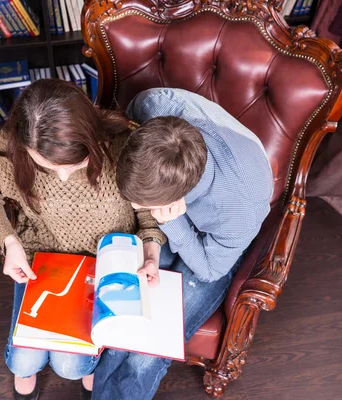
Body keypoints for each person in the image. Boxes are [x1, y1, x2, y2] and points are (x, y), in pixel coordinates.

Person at [0, 79, 165, 400]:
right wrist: (10, 244)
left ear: (91, 137)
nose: (62, 177)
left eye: (75, 165)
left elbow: (147, 210)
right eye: (47, 167)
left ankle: (89, 369)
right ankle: (32, 375)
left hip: (106, 262)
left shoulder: (123, 142)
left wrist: (150, 251)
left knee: (71, 367)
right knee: (23, 360)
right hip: (43, 259)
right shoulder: (12, 145)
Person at [92, 88, 274, 400]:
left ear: (175, 200)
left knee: (149, 351)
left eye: (142, 205)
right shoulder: (156, 106)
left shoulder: (241, 210)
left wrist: (172, 222)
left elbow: (208, 270)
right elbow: (133, 114)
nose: (136, 211)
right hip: (174, 211)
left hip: (214, 251)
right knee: (119, 315)